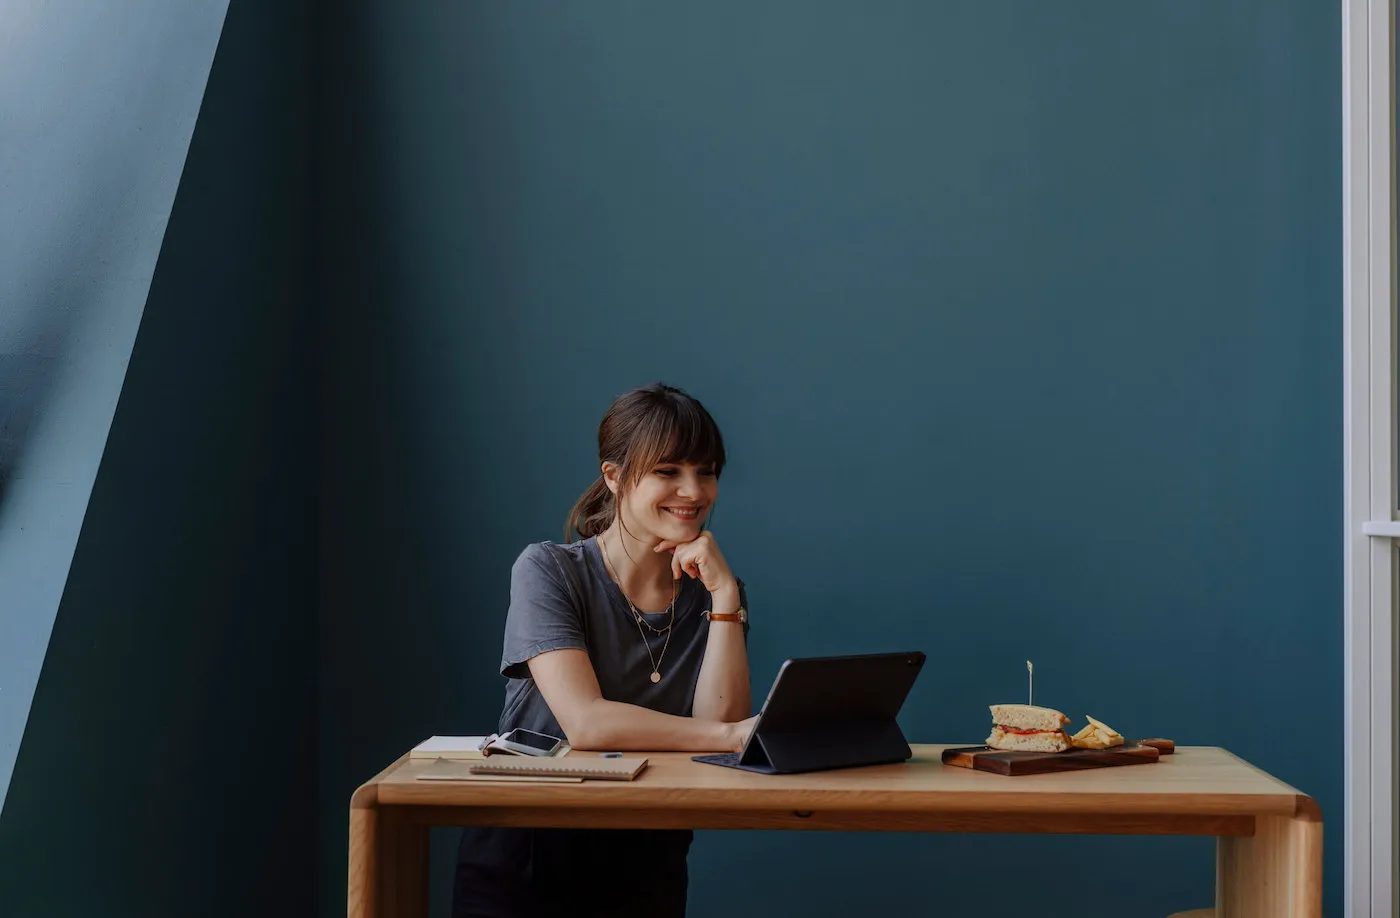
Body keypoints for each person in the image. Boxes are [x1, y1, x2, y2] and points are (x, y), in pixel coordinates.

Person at [452, 382, 758, 918]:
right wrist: (732, 735)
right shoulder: (548, 570)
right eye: (668, 471)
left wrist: (726, 598)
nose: (694, 490)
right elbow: (587, 723)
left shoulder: (715, 592)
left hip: (647, 854)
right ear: (614, 477)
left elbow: (718, 731)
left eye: (706, 471)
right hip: (530, 855)